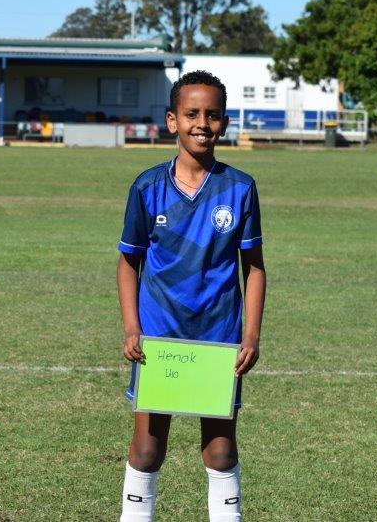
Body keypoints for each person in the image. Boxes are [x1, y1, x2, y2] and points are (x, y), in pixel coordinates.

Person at [117, 70, 266, 522]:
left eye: (213, 115)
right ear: (172, 121)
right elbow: (128, 262)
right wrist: (132, 327)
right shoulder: (147, 187)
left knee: (220, 451)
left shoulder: (239, 188)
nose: (202, 123)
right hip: (159, 337)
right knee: (147, 449)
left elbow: (254, 267)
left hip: (218, 339)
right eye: (192, 114)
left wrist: (251, 335)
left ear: (224, 123)